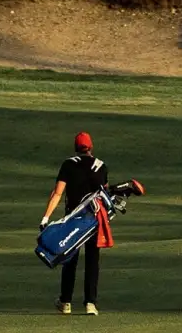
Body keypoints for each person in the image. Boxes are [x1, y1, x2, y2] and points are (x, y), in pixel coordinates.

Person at [42, 131, 108, 315]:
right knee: (92, 261)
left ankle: (66, 301)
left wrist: (46, 217)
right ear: (91, 147)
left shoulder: (69, 165)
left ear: (75, 148)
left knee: (69, 259)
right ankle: (90, 303)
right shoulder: (101, 167)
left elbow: (57, 193)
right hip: (94, 220)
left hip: (73, 221)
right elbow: (105, 194)